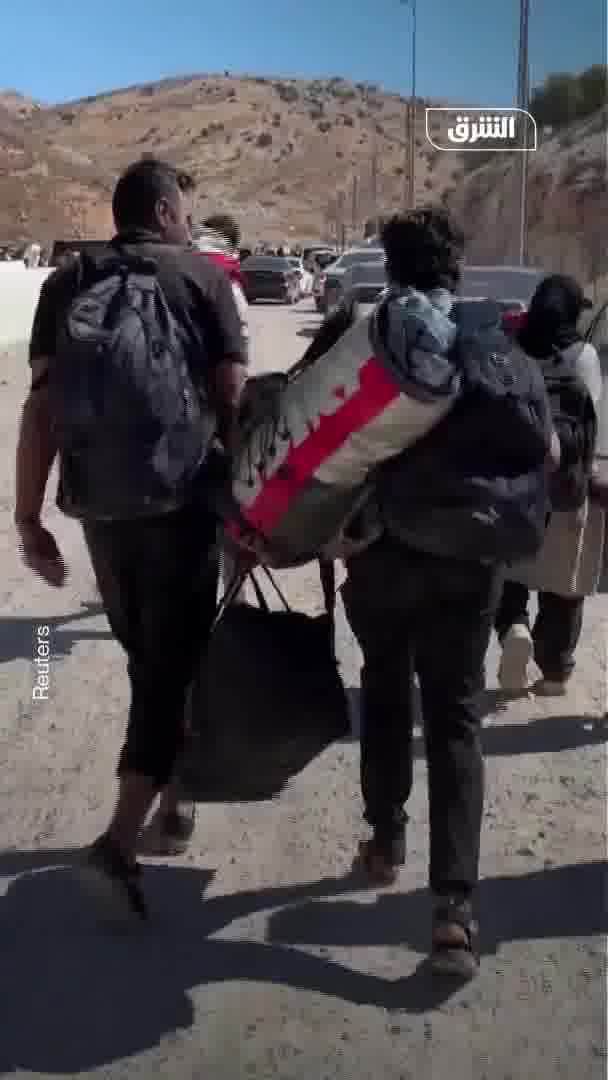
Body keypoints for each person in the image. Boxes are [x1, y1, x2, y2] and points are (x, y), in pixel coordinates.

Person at [15, 158, 247, 918]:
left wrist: (28, 517)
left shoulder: (66, 282)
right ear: (167, 208)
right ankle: (118, 841)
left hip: (101, 507)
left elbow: (40, 409)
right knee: (167, 668)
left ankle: (171, 803)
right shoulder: (203, 281)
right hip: (182, 504)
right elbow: (233, 397)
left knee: (154, 661)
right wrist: (250, 508)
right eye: (186, 205)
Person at [340, 208, 550, 980]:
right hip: (471, 565)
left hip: (385, 558)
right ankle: (454, 912)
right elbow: (549, 451)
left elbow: (319, 445)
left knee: (385, 688)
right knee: (456, 718)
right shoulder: (496, 344)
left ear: (389, 266)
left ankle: (386, 836)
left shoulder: (363, 337)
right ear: (454, 268)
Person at [496, 274, 602, 694]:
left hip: (514, 488)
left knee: (508, 572)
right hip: (566, 488)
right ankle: (555, 670)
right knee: (563, 582)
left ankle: (513, 628)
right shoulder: (584, 356)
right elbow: (592, 422)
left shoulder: (511, 349)